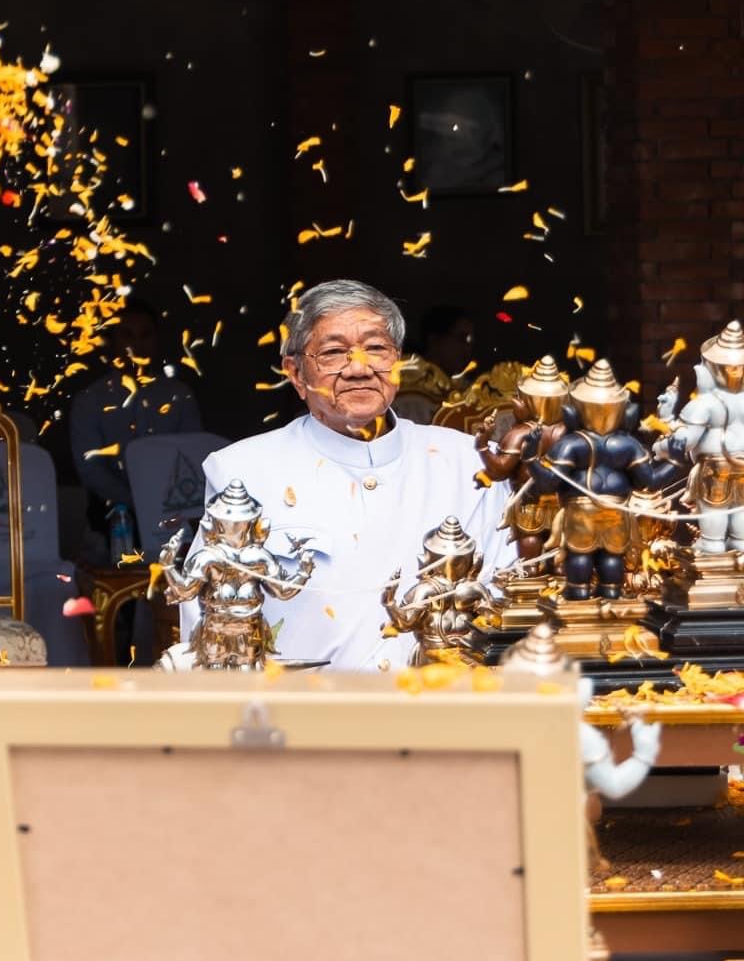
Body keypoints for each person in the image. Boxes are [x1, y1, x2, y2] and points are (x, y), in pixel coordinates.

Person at [185, 279, 511, 671]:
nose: (359, 368)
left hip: (441, 708)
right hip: (302, 717)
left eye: (376, 348)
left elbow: (503, 596)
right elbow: (208, 623)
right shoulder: (244, 471)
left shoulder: (467, 461)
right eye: (334, 352)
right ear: (296, 373)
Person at [66, 297, 203, 525]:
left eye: (145, 335)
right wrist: (135, 502)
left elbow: (194, 452)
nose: (136, 345)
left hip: (176, 509)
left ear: (156, 340)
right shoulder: (90, 401)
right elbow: (90, 468)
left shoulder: (179, 395)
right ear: (112, 341)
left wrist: (168, 501)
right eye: (127, 335)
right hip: (113, 513)